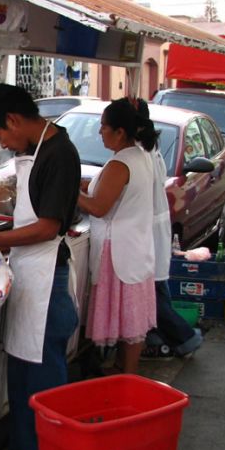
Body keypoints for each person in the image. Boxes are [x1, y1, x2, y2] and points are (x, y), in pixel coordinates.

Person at [0, 84, 80, 450]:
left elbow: (48, 226)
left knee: (41, 383)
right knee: (23, 375)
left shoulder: (59, 154)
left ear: (14, 121)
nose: (2, 142)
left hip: (46, 279)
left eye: (0, 134)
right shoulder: (38, 149)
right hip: (32, 273)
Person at [78, 97, 158, 374]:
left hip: (118, 250)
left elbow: (99, 207)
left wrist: (69, 190)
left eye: (103, 127)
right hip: (135, 245)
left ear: (120, 132)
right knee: (132, 318)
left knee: (126, 317)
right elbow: (106, 189)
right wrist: (84, 184)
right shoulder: (140, 156)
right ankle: (126, 372)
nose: (100, 132)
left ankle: (126, 376)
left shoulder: (120, 164)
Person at [133, 98, 204, 359]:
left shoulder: (139, 153)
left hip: (148, 232)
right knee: (157, 288)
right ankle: (161, 338)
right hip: (154, 229)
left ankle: (184, 337)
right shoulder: (150, 148)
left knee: (152, 294)